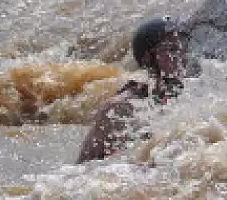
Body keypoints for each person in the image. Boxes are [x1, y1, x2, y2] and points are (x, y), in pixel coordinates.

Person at [77, 17, 188, 163]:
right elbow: (82, 168)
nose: (181, 58)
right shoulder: (118, 109)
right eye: (172, 50)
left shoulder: (183, 101)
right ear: (149, 58)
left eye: (183, 49)